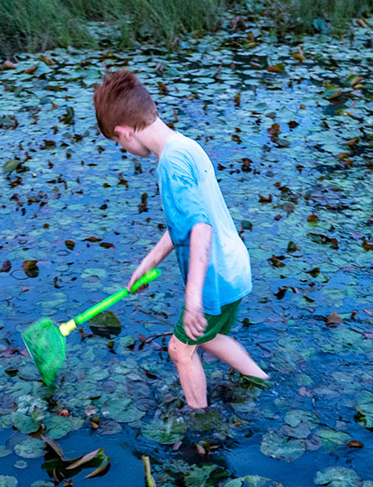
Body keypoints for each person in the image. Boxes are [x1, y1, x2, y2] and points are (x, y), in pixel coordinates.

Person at [91, 69, 268, 411]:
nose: (123, 149)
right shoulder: (184, 146)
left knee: (179, 348)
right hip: (234, 266)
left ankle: (199, 423)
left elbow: (200, 227)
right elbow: (185, 222)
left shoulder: (170, 166)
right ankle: (260, 382)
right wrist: (150, 261)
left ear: (124, 132)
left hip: (215, 277)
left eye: (117, 144)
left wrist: (192, 299)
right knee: (210, 336)